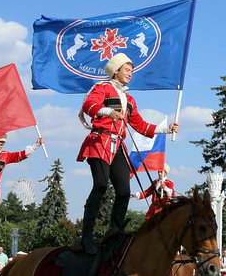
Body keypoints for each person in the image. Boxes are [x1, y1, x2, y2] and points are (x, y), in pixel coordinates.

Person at [73, 53, 179, 253]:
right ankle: (86, 236)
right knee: (101, 185)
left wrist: (166, 129)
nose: (131, 73)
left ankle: (115, 230)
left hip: (118, 145)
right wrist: (108, 112)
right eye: (127, 69)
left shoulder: (129, 99)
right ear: (116, 71)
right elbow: (89, 106)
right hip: (100, 141)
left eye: (131, 70)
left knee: (123, 191)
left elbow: (139, 124)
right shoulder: (102, 88)